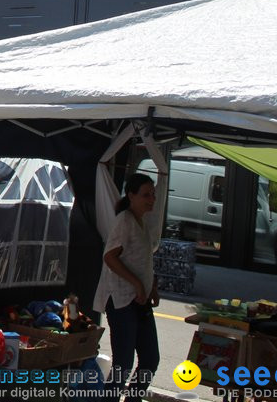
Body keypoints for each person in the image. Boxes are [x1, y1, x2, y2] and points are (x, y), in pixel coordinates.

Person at [93, 172, 166, 402]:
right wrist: (137, 283)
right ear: (131, 195)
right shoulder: (124, 220)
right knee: (123, 363)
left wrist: (150, 286)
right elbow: (110, 257)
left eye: (153, 195)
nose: (151, 199)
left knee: (150, 359)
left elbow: (142, 260)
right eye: (146, 195)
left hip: (139, 300)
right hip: (121, 299)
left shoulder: (141, 221)